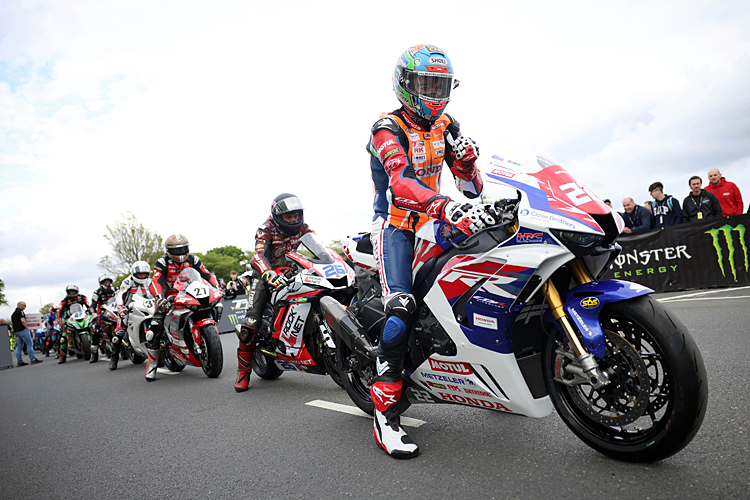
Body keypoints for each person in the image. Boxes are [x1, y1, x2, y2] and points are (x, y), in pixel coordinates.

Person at [363, 44, 496, 459]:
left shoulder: (448, 123)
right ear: (405, 84)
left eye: (441, 84)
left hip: (437, 218)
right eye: (426, 83)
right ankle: (385, 417)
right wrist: (441, 205)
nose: (435, 93)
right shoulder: (386, 127)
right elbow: (400, 184)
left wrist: (469, 166)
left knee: (487, 270)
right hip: (397, 226)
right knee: (401, 308)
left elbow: (471, 188)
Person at [235, 193, 314, 393]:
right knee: (251, 323)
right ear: (278, 216)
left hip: (294, 272)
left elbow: (316, 247)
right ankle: (243, 372)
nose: (294, 220)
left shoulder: (304, 229)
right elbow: (258, 255)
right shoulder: (265, 229)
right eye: (289, 217)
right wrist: (268, 273)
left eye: (296, 215)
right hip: (265, 275)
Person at [146, 234, 219, 381]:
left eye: (183, 249)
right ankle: (152, 366)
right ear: (168, 251)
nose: (180, 254)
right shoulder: (162, 262)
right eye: (176, 250)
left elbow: (206, 274)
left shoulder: (193, 259)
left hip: (190, 293)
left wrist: (217, 286)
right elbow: (156, 282)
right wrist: (159, 298)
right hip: (168, 297)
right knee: (154, 328)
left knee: (212, 306)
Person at [109, 260, 153, 370]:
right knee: (120, 331)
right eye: (140, 274)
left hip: (148, 307)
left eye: (144, 274)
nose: (142, 276)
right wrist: (120, 306)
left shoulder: (150, 281)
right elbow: (120, 294)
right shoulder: (127, 281)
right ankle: (114, 359)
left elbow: (156, 292)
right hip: (129, 308)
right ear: (134, 273)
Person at [88, 274, 117, 363]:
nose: (107, 283)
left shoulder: (116, 290)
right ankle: (94, 355)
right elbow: (93, 305)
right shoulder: (97, 293)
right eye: (105, 282)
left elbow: (123, 298)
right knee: (95, 331)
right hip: (102, 313)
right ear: (101, 283)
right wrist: (93, 313)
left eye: (108, 282)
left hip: (115, 311)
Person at [57, 285, 90, 364]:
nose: (71, 293)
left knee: (93, 326)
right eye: (70, 292)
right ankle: (62, 356)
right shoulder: (64, 300)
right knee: (63, 337)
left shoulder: (82, 297)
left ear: (76, 291)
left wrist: (92, 311)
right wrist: (59, 319)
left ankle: (99, 346)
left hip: (81, 316)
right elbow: (60, 310)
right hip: (69, 318)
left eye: (73, 291)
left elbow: (88, 305)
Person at [11, 301, 42, 366]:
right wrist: (27, 328)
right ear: (20, 305)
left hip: (16, 331)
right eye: (24, 305)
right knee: (29, 344)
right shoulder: (20, 311)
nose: (25, 307)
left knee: (19, 346)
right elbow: (23, 320)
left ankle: (20, 361)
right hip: (22, 330)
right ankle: (32, 359)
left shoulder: (13, 314)